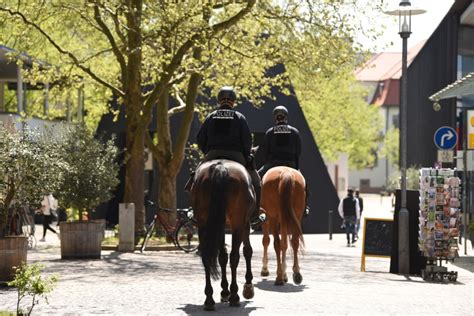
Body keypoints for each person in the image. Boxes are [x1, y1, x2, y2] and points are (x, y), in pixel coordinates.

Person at [186, 86, 265, 229]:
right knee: (257, 182)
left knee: (194, 180)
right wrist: (246, 155)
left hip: (213, 154)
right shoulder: (239, 117)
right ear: (233, 102)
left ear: (219, 100)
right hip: (236, 156)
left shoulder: (211, 116)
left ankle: (194, 213)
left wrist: (207, 153)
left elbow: (200, 138)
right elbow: (247, 140)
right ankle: (254, 216)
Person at [257, 105, 310, 215]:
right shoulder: (294, 131)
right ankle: (305, 207)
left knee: (256, 180)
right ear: (286, 117)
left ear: (275, 118)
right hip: (290, 163)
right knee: (305, 185)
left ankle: (256, 208)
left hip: (273, 164)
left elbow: (264, 151)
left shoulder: (270, 132)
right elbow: (298, 151)